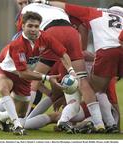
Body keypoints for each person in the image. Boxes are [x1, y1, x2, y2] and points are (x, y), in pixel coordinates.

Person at [0, 11, 75, 135]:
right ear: (23, 26)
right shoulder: (18, 44)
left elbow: (63, 54)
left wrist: (71, 71)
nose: (33, 29)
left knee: (22, 113)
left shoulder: (46, 37)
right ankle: (16, 126)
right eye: (30, 26)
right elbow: (23, 73)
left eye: (36, 26)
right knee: (4, 88)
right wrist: (48, 78)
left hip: (25, 76)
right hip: (8, 71)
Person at [20, 1, 105, 132]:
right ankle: (99, 123)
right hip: (71, 33)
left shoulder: (28, 9)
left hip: (53, 32)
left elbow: (27, 34)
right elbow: (82, 26)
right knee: (82, 80)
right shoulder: (56, 7)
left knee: (34, 80)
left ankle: (21, 120)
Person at [42, 0, 123, 130]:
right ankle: (110, 124)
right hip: (116, 50)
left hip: (107, 51)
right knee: (103, 91)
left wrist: (44, 2)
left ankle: (99, 123)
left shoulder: (97, 12)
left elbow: (67, 6)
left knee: (92, 89)